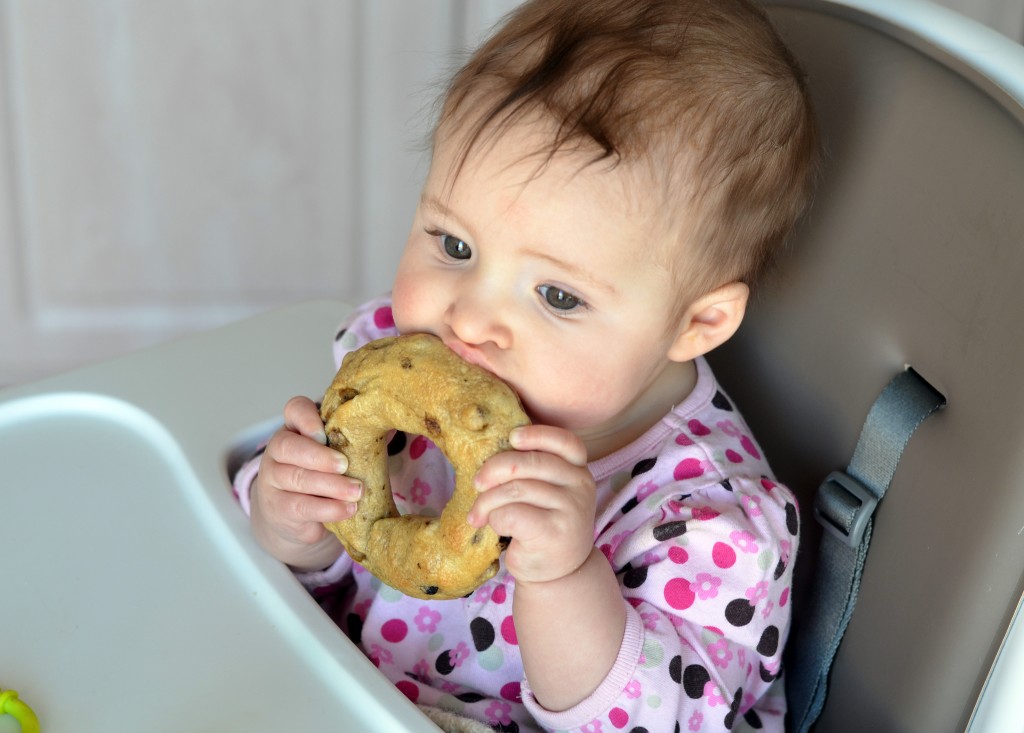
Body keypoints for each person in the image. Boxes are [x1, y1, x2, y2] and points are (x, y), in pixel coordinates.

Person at [234, 0, 818, 730]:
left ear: (698, 322)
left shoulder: (711, 522)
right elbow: (302, 569)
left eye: (556, 294)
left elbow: (653, 723)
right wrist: (295, 522)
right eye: (453, 245)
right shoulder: (402, 355)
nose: (470, 318)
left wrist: (564, 578)